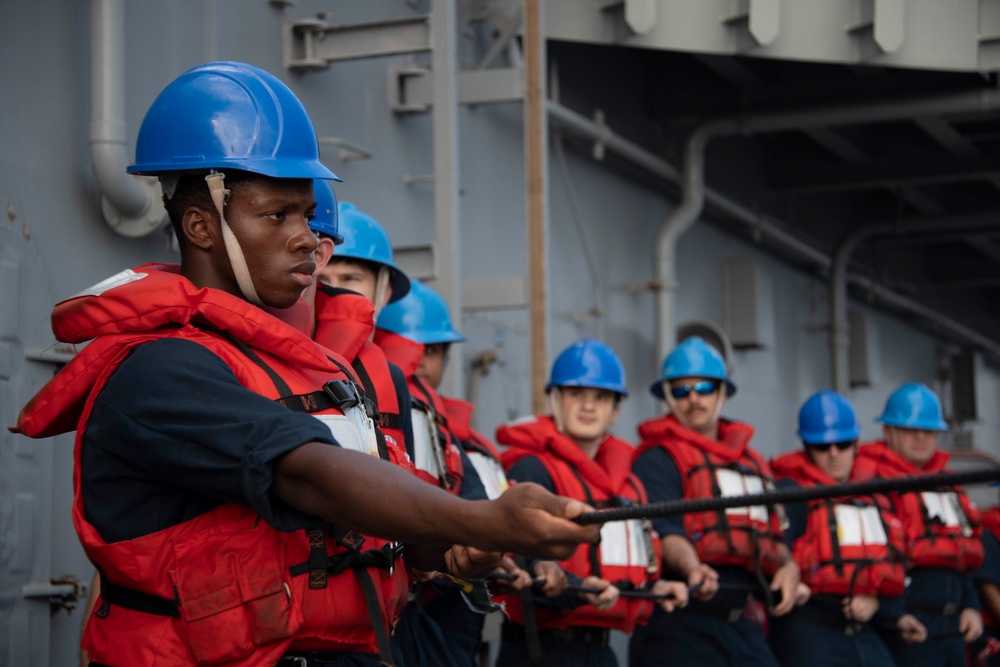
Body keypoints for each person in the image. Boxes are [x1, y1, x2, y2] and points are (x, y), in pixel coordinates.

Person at [9, 61, 597, 667]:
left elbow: (357, 539)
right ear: (200, 225)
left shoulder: (319, 375)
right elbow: (307, 474)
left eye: (309, 215)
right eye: (277, 215)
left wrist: (444, 546)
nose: (308, 238)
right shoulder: (158, 372)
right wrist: (484, 518)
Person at [494, 339, 689, 667]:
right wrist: (579, 587)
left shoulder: (630, 485)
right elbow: (523, 559)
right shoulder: (531, 469)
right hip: (538, 652)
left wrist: (656, 587)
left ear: (616, 410)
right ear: (555, 400)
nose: (588, 406)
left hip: (601, 652)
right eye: (576, 394)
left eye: (601, 397)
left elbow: (638, 556)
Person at [378, 279, 539, 666]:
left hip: (450, 606)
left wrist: (509, 561)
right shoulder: (387, 409)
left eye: (435, 351)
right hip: (406, 609)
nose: (425, 361)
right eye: (420, 348)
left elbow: (477, 506)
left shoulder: (454, 432)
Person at [628, 336, 799, 667]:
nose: (694, 399)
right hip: (681, 622)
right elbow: (664, 529)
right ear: (667, 398)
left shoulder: (751, 463)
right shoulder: (657, 459)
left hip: (744, 626)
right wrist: (693, 568)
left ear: (722, 393)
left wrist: (789, 568)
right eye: (681, 390)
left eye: (704, 388)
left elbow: (773, 534)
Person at [768, 390, 925, 666]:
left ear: (856, 443)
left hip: (865, 632)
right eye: (822, 447)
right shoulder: (791, 493)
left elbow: (896, 566)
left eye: (842, 444)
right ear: (806, 447)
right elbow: (773, 551)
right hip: (811, 630)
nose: (834, 455)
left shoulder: (875, 496)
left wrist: (882, 607)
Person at [856, 382, 984, 667]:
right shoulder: (875, 487)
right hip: (907, 630)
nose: (921, 438)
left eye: (928, 431)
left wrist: (971, 607)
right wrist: (895, 616)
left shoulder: (947, 486)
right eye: (910, 430)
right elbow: (872, 562)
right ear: (888, 432)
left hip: (953, 630)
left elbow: (961, 554)